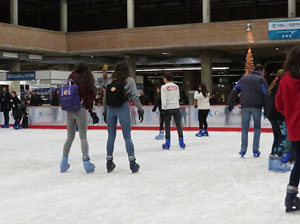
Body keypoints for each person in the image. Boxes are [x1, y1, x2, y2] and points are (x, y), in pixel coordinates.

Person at [103, 61, 144, 173]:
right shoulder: (129, 81)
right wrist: (140, 109)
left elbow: (105, 98)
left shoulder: (110, 81)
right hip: (123, 108)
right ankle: (132, 163)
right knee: (127, 137)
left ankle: (109, 162)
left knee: (111, 137)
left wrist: (104, 112)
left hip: (111, 109)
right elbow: (135, 97)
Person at [60, 62, 97, 174]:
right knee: (83, 137)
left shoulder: (71, 76)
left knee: (69, 137)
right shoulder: (87, 78)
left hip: (69, 109)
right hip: (80, 109)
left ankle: (63, 162)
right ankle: (86, 163)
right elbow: (91, 95)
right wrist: (90, 110)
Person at [275, 46, 300, 212]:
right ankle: (290, 198)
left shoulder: (284, 80)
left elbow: (278, 104)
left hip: (294, 128)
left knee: (299, 163)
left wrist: (291, 115)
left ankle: (290, 197)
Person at [228, 64, 269, 158]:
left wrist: (231, 103)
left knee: (244, 128)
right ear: (261, 70)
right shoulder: (261, 80)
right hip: (256, 107)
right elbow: (266, 95)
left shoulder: (244, 79)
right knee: (257, 128)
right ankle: (255, 149)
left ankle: (243, 150)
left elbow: (234, 90)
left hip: (245, 106)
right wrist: (267, 109)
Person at [267, 69, 291, 172]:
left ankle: (272, 161)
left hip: (272, 115)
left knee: (277, 138)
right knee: (282, 138)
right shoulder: (282, 86)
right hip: (279, 115)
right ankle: (278, 162)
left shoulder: (275, 86)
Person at [161, 73, 185, 150]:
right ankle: (181, 142)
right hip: (176, 107)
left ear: (166, 78)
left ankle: (167, 143)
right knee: (179, 125)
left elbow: (163, 98)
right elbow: (178, 97)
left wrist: (163, 108)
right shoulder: (176, 86)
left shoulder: (164, 87)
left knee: (167, 126)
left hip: (167, 108)